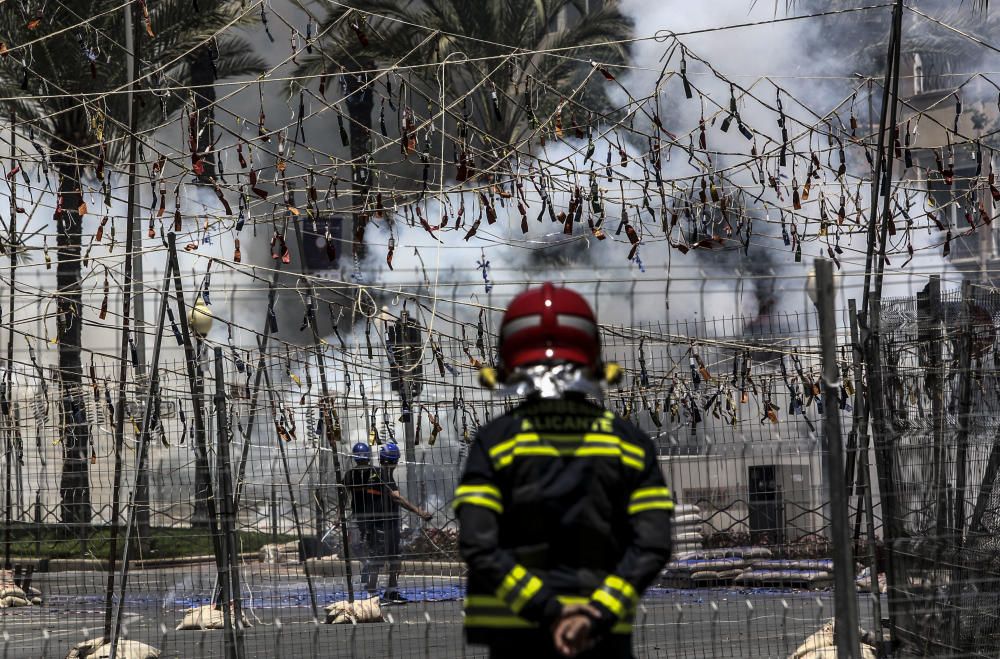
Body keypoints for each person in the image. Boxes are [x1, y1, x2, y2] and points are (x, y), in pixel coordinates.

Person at [453, 282, 674, 659]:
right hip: (601, 637)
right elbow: (652, 545)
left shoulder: (496, 442)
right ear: (592, 355)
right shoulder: (629, 444)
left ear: (510, 359)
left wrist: (549, 610)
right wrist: (595, 613)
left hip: (515, 637)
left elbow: (478, 543)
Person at [345, 441, 431, 604]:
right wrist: (419, 512)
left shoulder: (366, 474)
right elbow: (396, 497)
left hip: (382, 522)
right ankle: (373, 593)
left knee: (389, 557)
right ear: (395, 461)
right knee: (383, 557)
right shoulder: (381, 475)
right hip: (382, 523)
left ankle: (387, 591)